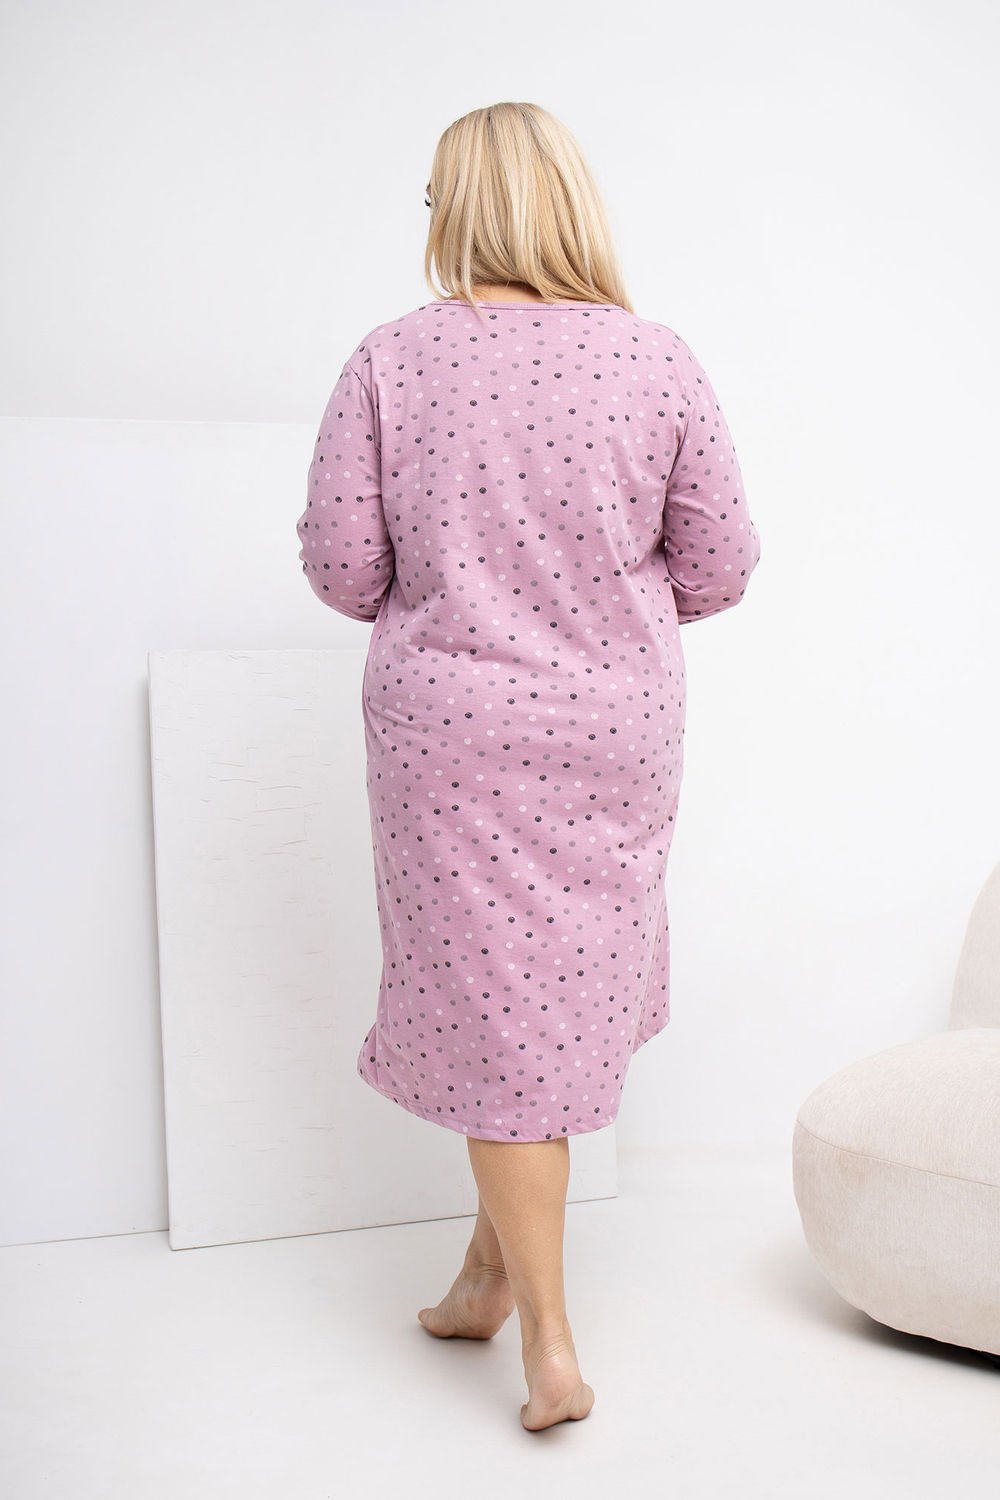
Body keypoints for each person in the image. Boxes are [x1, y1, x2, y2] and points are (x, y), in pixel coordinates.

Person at [296, 100, 761, 1431]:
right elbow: (722, 565)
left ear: (460, 211)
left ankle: (550, 1345)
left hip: (449, 736)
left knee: (498, 1016)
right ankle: (483, 1280)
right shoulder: (656, 360)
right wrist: (597, 603)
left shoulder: (393, 360)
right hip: (612, 731)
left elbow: (344, 569)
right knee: (536, 1006)